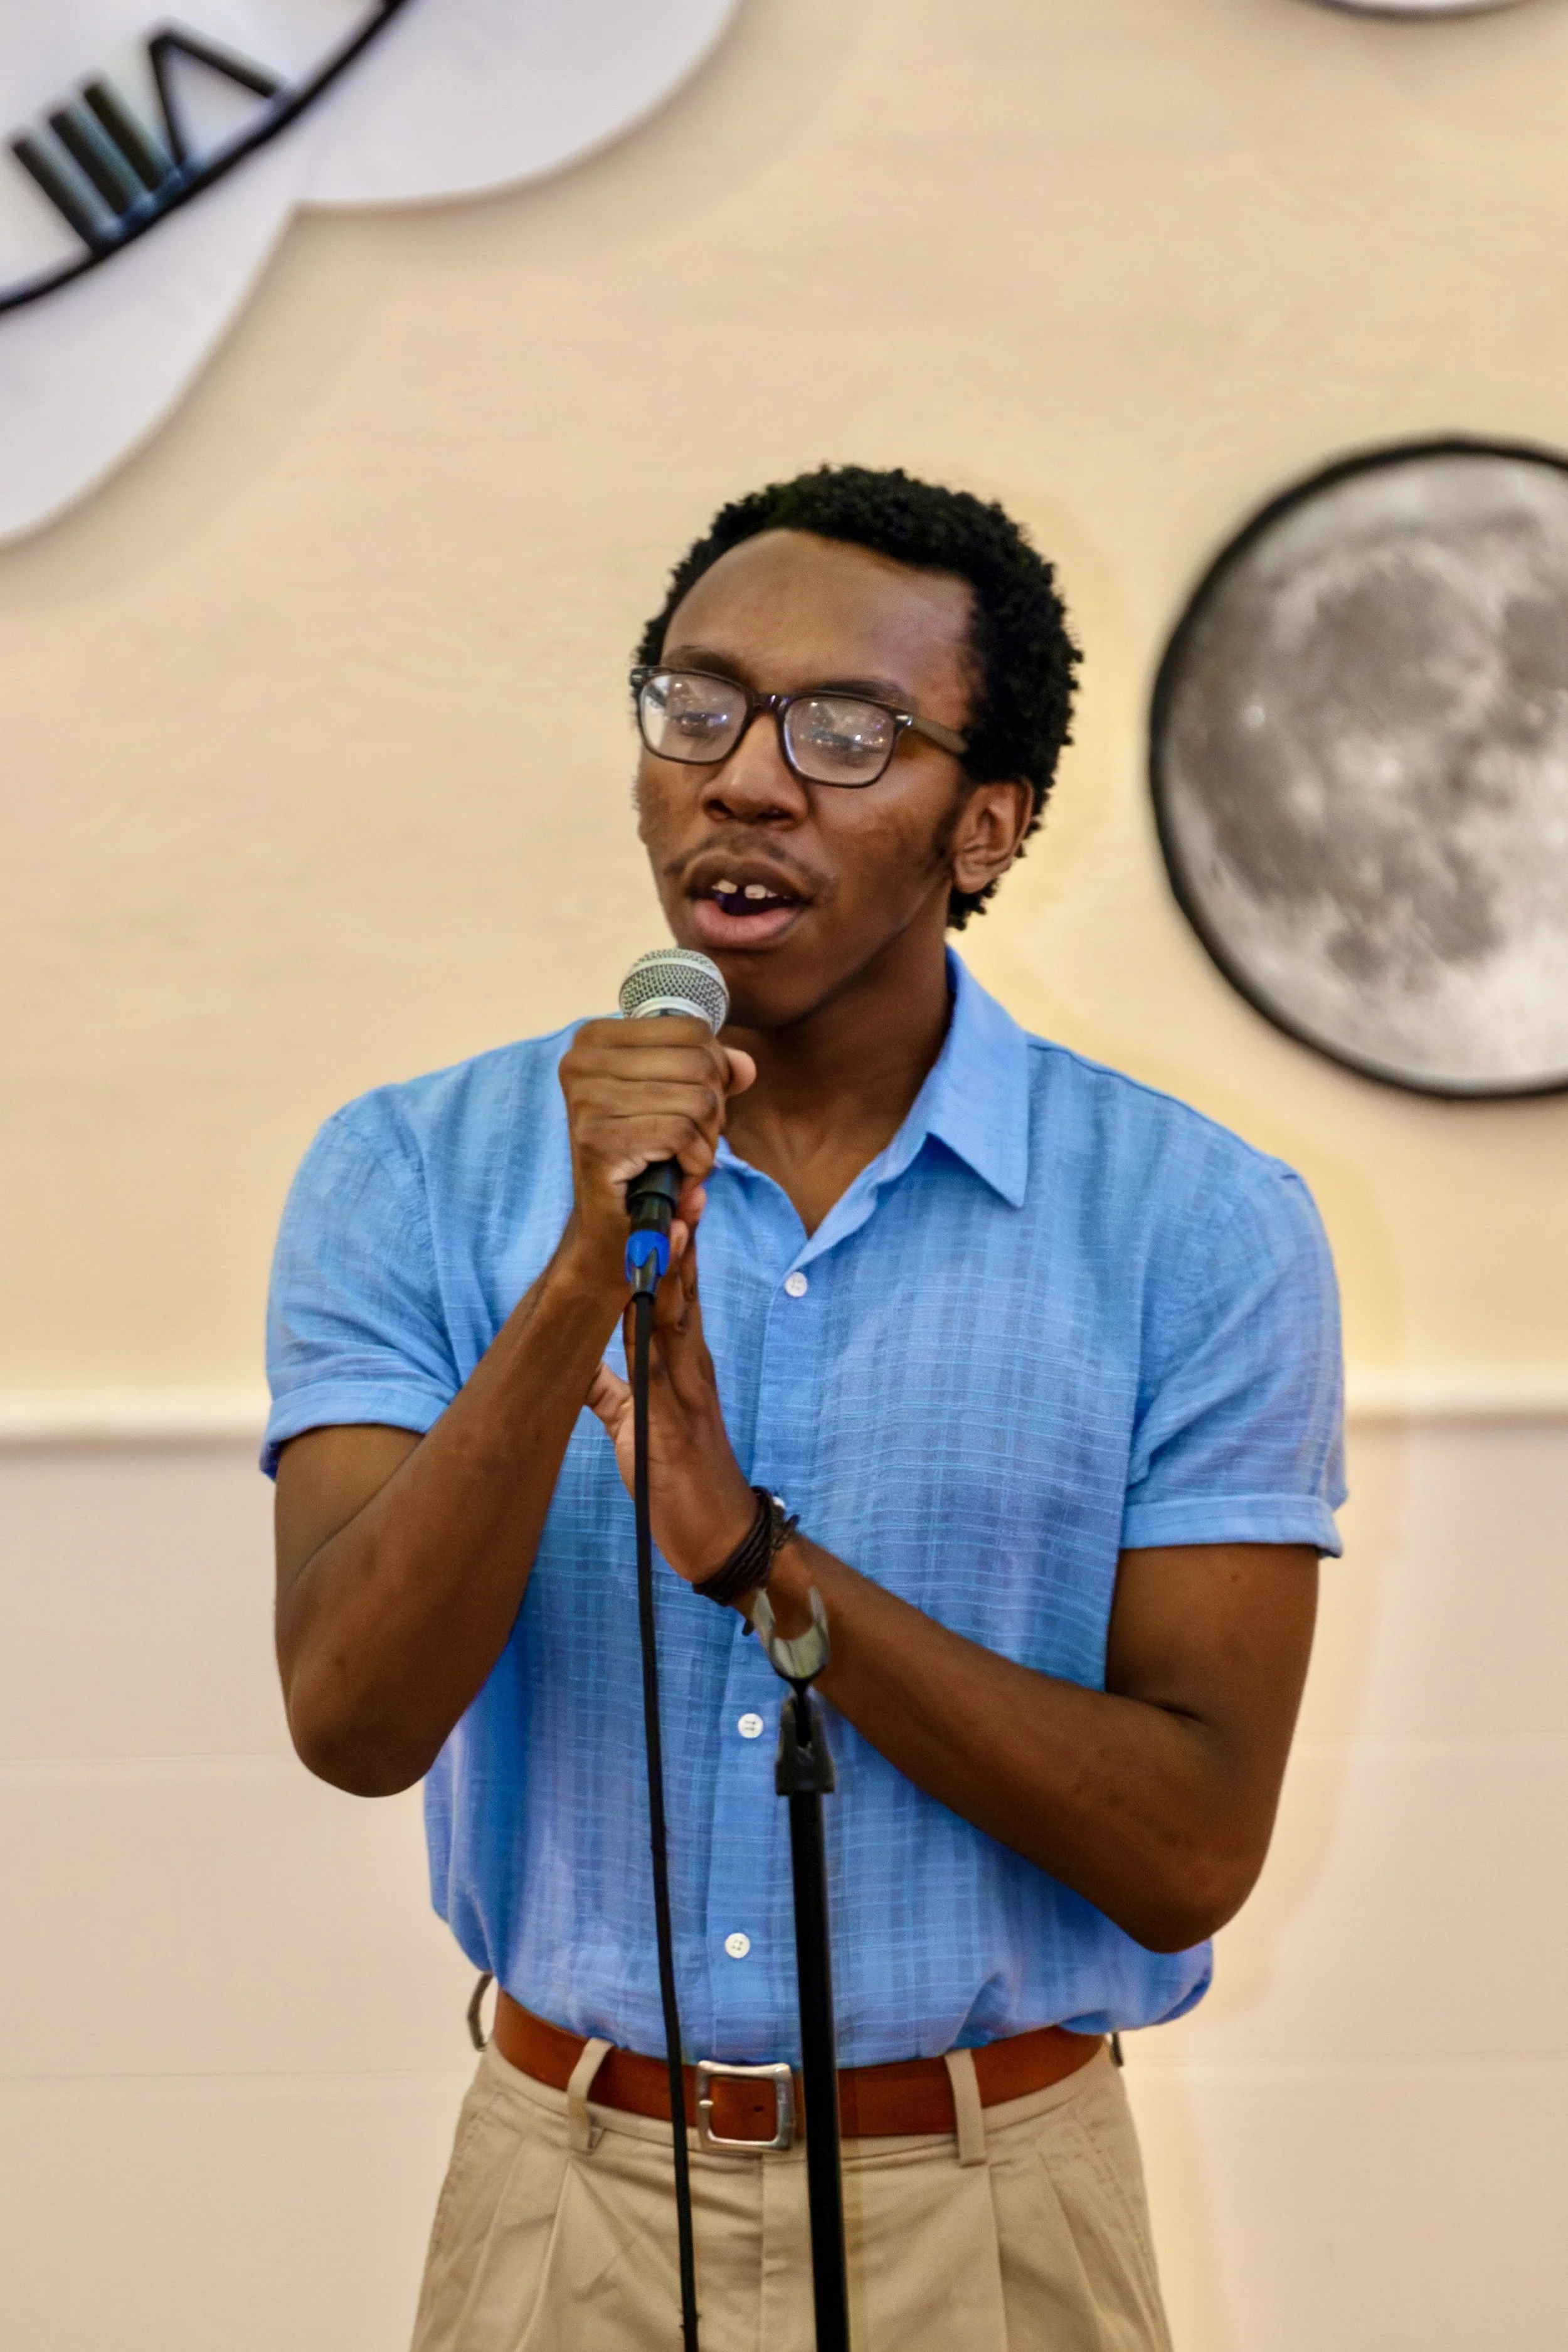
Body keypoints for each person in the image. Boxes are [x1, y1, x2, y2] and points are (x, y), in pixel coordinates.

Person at [265, 465, 1343, 2352]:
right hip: (563, 2207)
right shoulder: (414, 1172)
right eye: (697, 704)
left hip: (993, 2215)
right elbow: (353, 1719)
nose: (746, 778)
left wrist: (758, 1560)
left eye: (850, 732)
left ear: (984, 827)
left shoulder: (1196, 1223)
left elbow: (1185, 1843)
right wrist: (581, 1275)